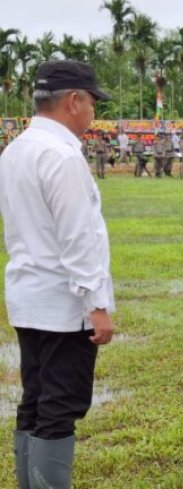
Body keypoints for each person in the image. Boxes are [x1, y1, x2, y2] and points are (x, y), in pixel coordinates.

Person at [0, 59, 115, 489]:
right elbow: (77, 238)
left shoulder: (16, 149)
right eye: (92, 104)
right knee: (60, 407)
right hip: (65, 306)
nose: (93, 114)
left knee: (35, 401)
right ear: (73, 101)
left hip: (29, 300)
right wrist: (96, 304)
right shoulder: (61, 155)